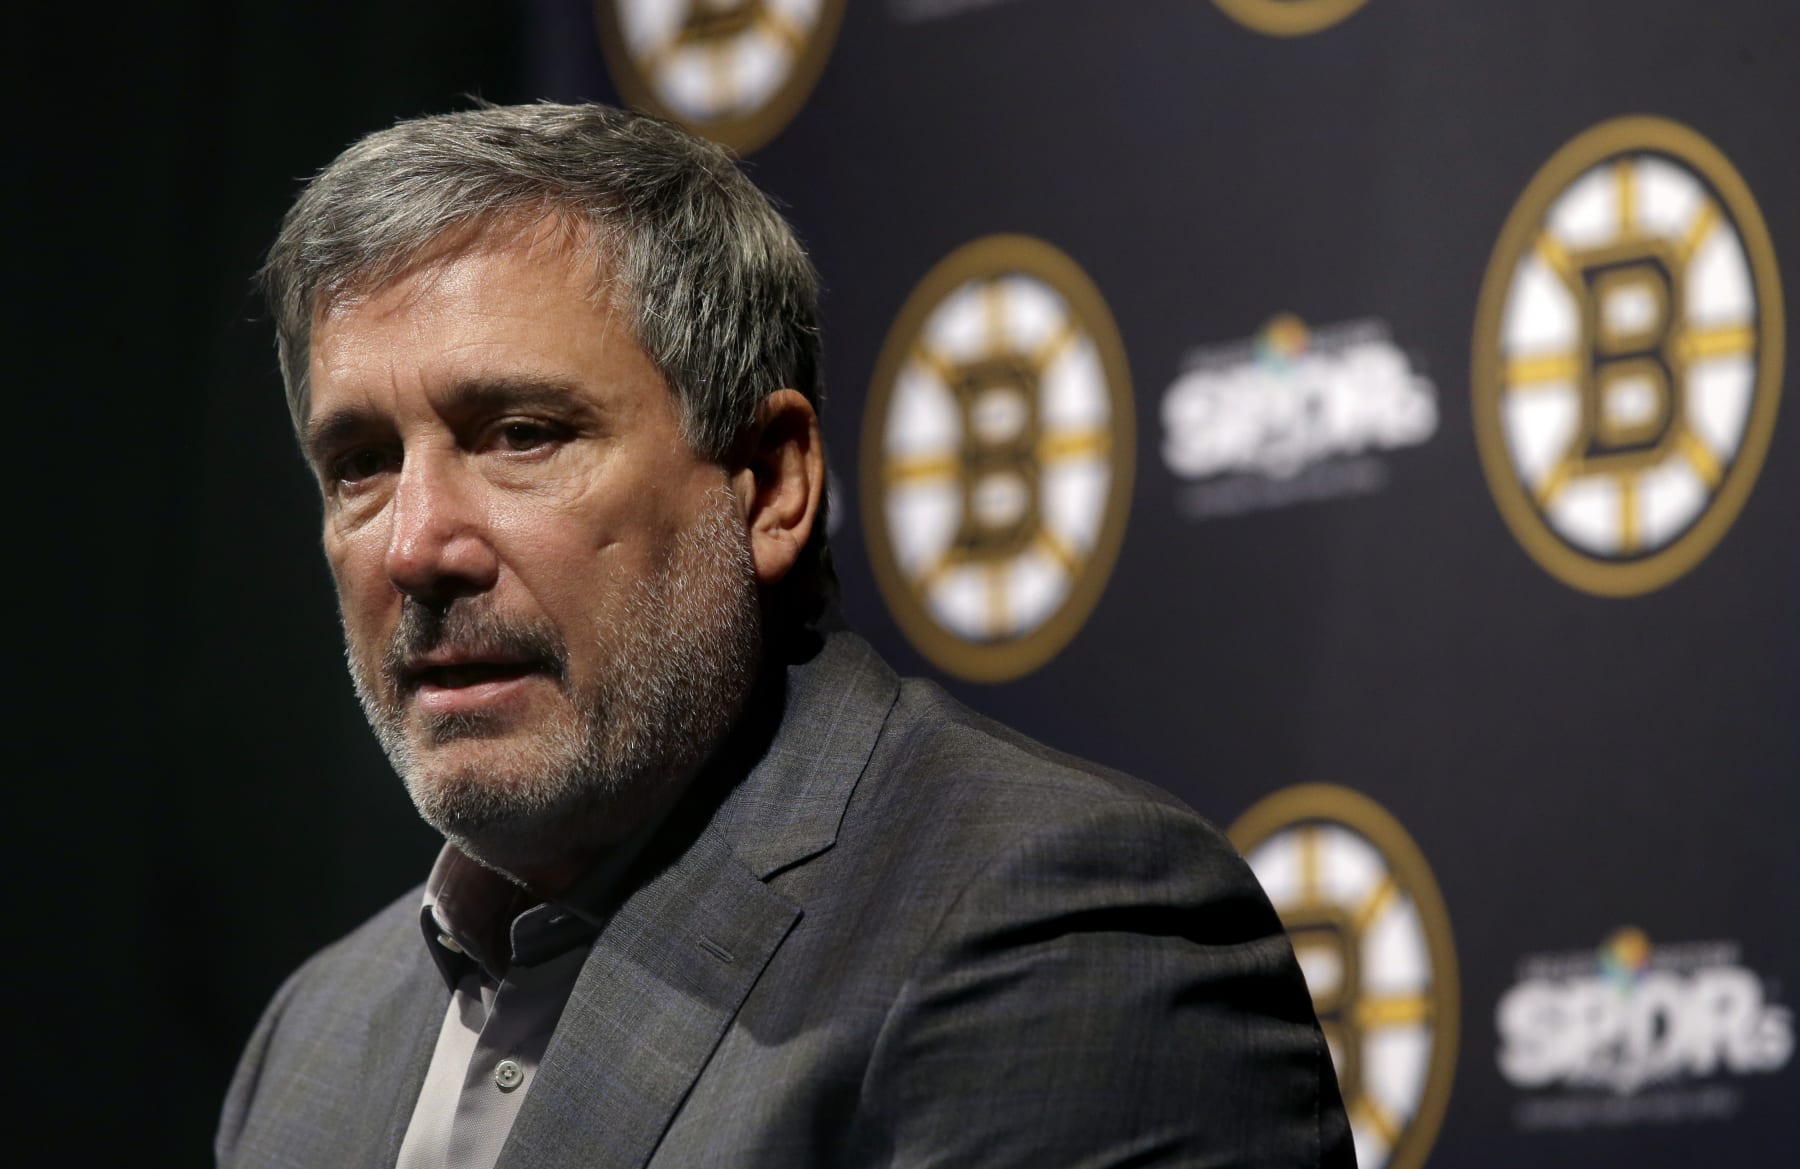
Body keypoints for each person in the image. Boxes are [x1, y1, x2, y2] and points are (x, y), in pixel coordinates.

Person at [216, 102, 1352, 1169]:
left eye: (520, 434)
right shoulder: (314, 1036)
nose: (416, 545)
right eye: (360, 464)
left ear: (767, 484)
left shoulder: (1057, 936)